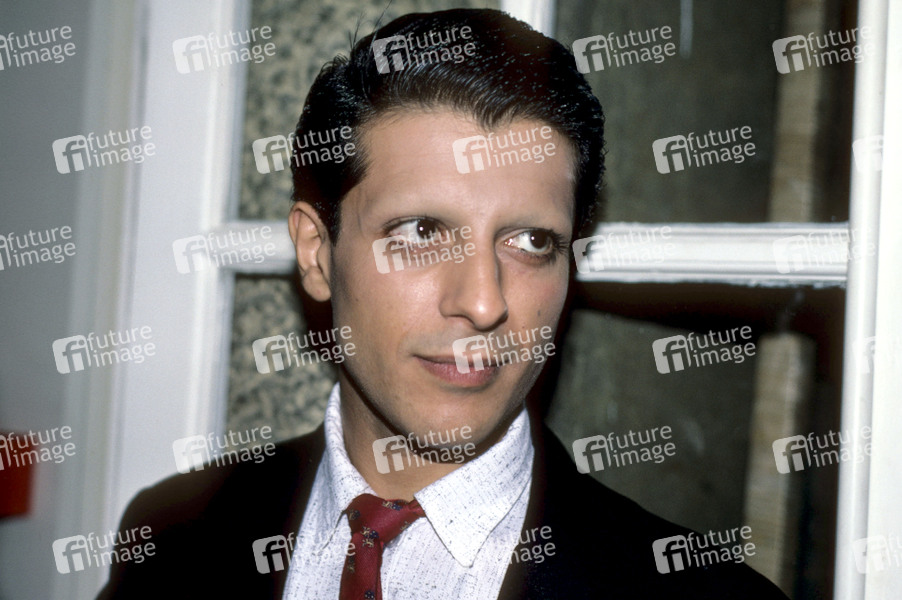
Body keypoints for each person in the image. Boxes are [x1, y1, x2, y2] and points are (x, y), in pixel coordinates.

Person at [98, 8, 787, 599]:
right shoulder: (177, 536)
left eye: (531, 242)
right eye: (422, 232)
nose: (484, 302)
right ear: (316, 254)